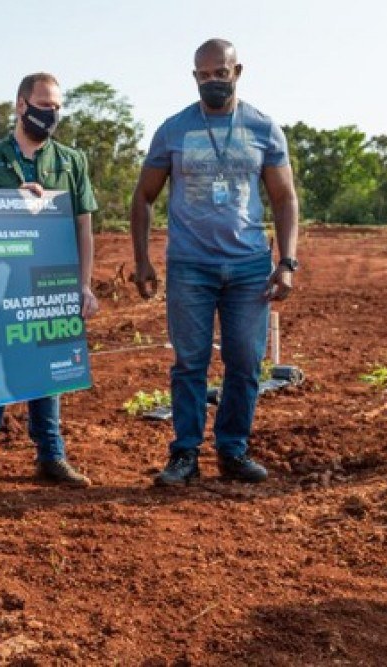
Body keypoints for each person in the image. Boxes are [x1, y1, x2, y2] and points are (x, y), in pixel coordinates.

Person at [129, 39, 300, 486]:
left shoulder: (264, 128)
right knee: (190, 362)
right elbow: (144, 197)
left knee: (245, 362)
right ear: (194, 78)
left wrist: (287, 262)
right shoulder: (173, 129)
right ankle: (185, 454)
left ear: (237, 71)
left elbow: (284, 199)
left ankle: (232, 451)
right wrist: (142, 259)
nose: (212, 82)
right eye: (203, 76)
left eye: (220, 74)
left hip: (248, 267)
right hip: (190, 265)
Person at [0, 72, 98, 495]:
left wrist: (83, 285)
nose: (50, 114)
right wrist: (6, 203)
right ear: (21, 105)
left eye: (56, 107)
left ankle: (51, 456)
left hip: (48, 283)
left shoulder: (72, 161)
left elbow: (83, 226)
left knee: (48, 367)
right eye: (43, 104)